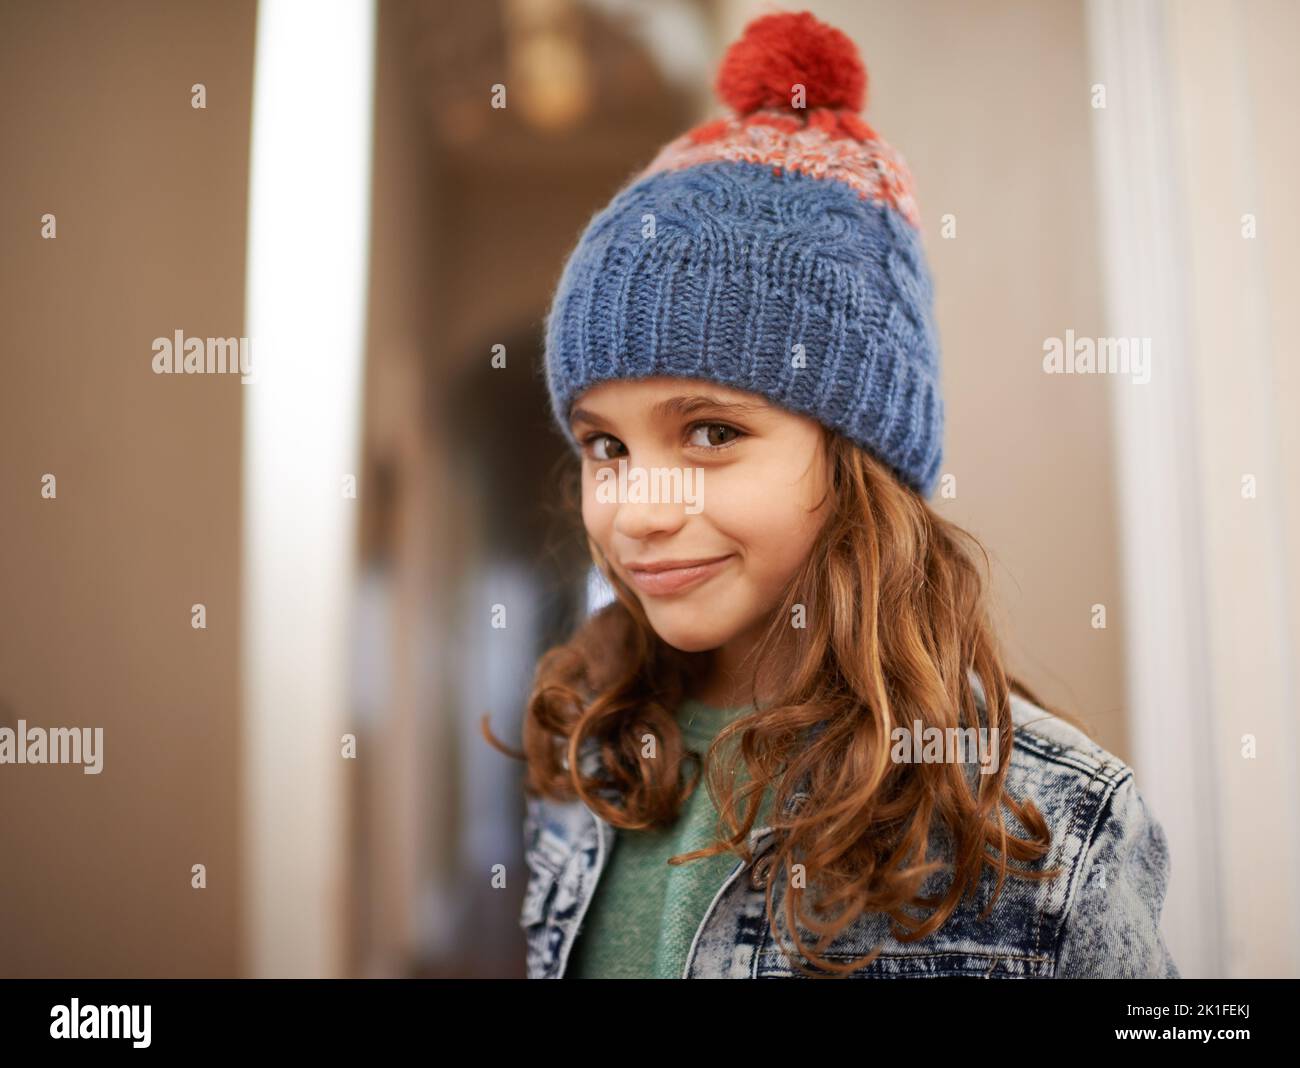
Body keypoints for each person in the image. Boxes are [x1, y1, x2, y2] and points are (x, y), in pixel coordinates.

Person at [500, 10, 1178, 980]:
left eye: (712, 433)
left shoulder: (1046, 825)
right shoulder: (592, 759)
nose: (637, 508)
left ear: (859, 459)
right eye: (604, 446)